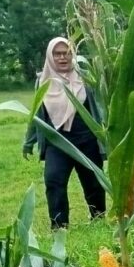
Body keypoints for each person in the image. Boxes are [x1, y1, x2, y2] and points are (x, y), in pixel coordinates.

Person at [22, 37, 106, 229]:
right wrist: (28, 142)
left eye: (67, 53)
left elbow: (101, 106)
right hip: (57, 142)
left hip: (87, 140)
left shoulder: (86, 77)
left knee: (93, 183)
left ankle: (99, 219)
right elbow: (36, 113)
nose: (62, 57)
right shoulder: (42, 81)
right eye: (57, 54)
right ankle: (59, 227)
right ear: (50, 57)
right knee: (54, 182)